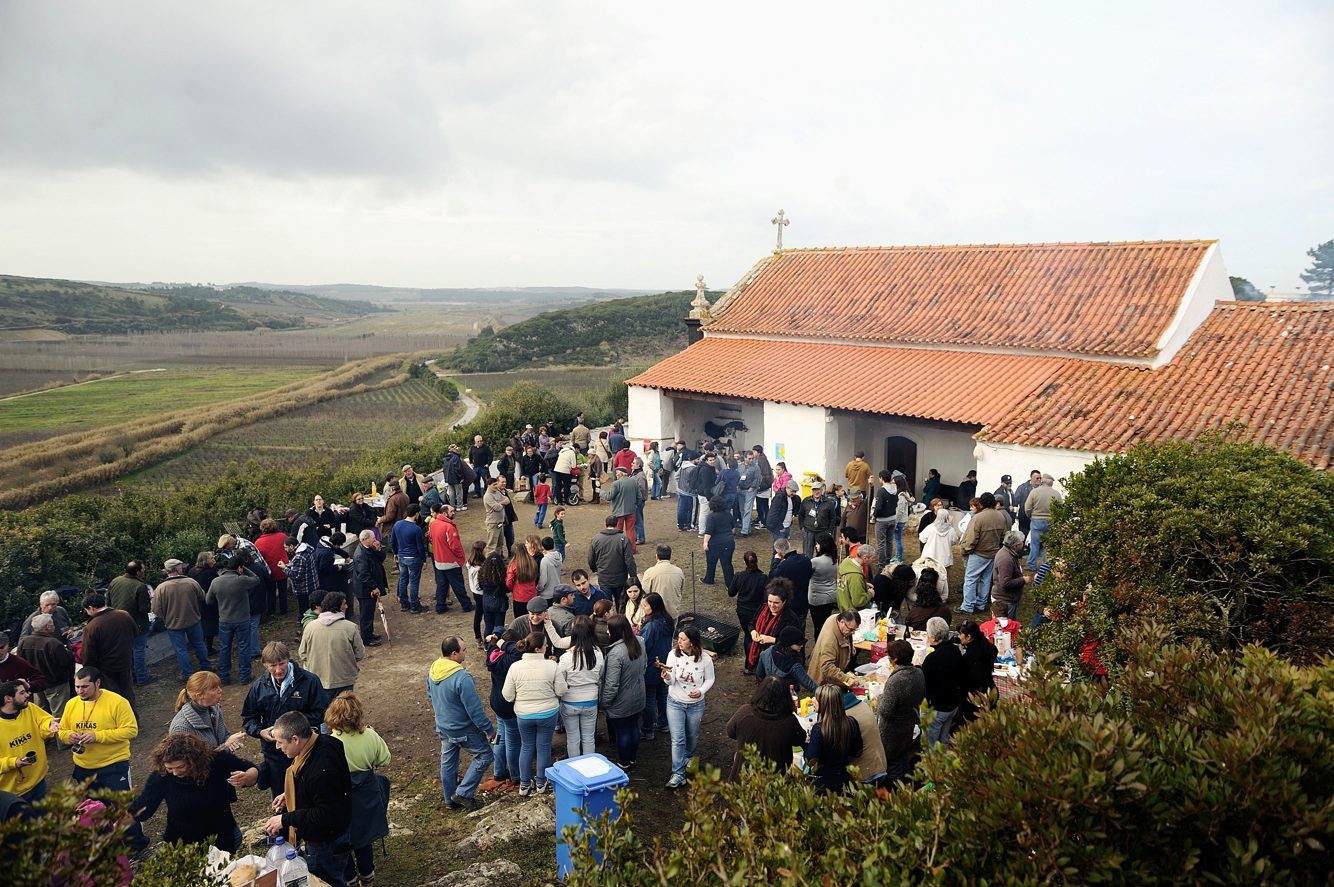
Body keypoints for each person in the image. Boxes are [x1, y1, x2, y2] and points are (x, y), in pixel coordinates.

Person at [58, 666, 148, 849]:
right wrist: (69, 736)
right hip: (84, 767)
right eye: (76, 687)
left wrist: (98, 736)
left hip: (113, 766)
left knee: (123, 808)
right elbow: (62, 730)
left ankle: (136, 845)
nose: (80, 691)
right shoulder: (72, 704)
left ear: (97, 683)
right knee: (96, 810)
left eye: (85, 687)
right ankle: (108, 844)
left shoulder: (117, 702)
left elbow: (131, 730)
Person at [262, 711, 354, 887]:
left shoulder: (320, 770)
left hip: (326, 841)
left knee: (327, 880)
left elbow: (325, 814)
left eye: (280, 742)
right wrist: (290, 794)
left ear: (296, 739)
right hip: (337, 831)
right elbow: (318, 790)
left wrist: (284, 819)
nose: (277, 747)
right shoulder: (324, 742)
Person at [133, 732, 259, 854]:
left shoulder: (216, 761)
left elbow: (252, 769)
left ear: (194, 760)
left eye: (181, 767)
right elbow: (144, 806)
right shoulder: (162, 776)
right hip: (183, 844)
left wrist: (248, 776)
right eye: (170, 768)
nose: (175, 773)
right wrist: (120, 821)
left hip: (221, 835)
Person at [242, 641, 331, 796]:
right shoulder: (258, 687)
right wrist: (260, 731)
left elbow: (322, 711)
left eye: (282, 663)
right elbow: (249, 717)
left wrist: (296, 727)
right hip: (275, 753)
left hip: (305, 749)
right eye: (272, 665)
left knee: (311, 792)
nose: (278, 670)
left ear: (289, 660)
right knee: (281, 795)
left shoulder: (309, 681)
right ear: (264, 665)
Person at [326, 692, 391, 887]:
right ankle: (367, 879)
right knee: (364, 838)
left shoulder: (329, 742)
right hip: (366, 793)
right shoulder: (370, 735)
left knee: (342, 840)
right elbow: (385, 760)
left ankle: (350, 880)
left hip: (340, 795)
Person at [427, 636, 495, 811]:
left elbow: (430, 695)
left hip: (443, 726)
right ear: (454, 653)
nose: (466, 653)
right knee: (485, 755)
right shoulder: (462, 678)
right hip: (463, 729)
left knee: (448, 762)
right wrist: (488, 729)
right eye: (464, 650)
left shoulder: (434, 669)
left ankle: (450, 800)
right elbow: (475, 710)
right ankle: (463, 793)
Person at [501, 633, 559, 796]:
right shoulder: (552, 666)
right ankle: (541, 782)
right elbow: (561, 689)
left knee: (526, 747)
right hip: (548, 713)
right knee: (544, 747)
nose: (547, 647)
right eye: (546, 645)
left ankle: (524, 784)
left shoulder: (515, 667)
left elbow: (507, 695)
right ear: (539, 649)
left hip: (524, 715)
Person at [661, 625, 715, 789]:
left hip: (695, 705)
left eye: (683, 639)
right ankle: (678, 773)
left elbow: (710, 679)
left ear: (692, 642)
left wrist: (700, 691)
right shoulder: (673, 655)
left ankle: (688, 757)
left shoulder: (705, 659)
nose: (679, 642)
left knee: (692, 735)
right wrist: (666, 677)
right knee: (678, 739)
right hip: (675, 702)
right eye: (679, 638)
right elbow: (671, 681)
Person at [724, 676, 806, 781]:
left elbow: (730, 732)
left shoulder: (744, 712)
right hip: (774, 782)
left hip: (743, 780)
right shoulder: (789, 721)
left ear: (760, 693)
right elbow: (800, 740)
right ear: (785, 697)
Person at [155, 558, 213, 682]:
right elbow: (203, 597)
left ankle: (187, 673)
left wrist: (166, 617)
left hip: (173, 624)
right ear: (176, 569)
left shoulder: (161, 588)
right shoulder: (191, 582)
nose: (183, 568)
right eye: (181, 567)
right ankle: (206, 667)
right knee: (199, 644)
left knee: (181, 650)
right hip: (193, 620)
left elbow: (156, 609)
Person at [600, 615, 647, 769]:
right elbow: (645, 665)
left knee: (623, 732)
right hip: (639, 695)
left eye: (609, 628)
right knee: (634, 727)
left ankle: (623, 762)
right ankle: (632, 757)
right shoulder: (639, 641)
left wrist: (605, 702)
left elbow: (612, 684)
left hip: (621, 701)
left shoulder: (615, 653)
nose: (607, 631)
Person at [0, 678, 58, 802]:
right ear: (8, 699)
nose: (28, 694)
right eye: (22, 693)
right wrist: (13, 762)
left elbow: (42, 721)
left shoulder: (29, 708)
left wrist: (49, 725)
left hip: (38, 781)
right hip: (12, 793)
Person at [298, 592, 365, 698]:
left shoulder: (310, 627)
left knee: (323, 711)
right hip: (344, 679)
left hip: (318, 679)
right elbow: (360, 654)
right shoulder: (351, 627)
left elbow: (302, 653)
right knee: (345, 711)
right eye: (344, 604)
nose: (347, 606)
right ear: (337, 607)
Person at [876, 639, 925, 783]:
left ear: (895, 659)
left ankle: (898, 793)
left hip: (892, 732)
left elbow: (885, 710)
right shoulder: (918, 673)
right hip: (908, 726)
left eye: (889, 657)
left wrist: (880, 698)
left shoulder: (895, 680)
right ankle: (909, 784)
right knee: (903, 757)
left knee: (892, 764)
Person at [554, 617, 604, 759]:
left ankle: (574, 766)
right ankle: (589, 766)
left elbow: (560, 679)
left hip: (570, 701)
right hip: (591, 700)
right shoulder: (598, 654)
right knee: (589, 738)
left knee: (572, 737)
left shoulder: (566, 658)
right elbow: (601, 674)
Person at [78, 592, 138, 707]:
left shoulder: (92, 626)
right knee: (128, 693)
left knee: (112, 697)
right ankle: (132, 718)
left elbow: (88, 653)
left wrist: (89, 669)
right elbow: (135, 632)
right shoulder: (124, 615)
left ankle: (119, 720)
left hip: (106, 668)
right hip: (125, 661)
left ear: (91, 608)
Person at [207, 554, 259, 684]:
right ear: (239, 568)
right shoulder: (241, 580)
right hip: (242, 620)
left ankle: (224, 677)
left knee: (224, 648)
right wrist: (245, 569)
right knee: (244, 647)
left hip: (224, 620)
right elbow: (256, 579)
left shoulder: (216, 581)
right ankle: (244, 676)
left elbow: (208, 600)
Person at [481, 631, 522, 793]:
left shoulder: (493, 655)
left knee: (500, 737)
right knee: (513, 741)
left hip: (496, 702)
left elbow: (491, 646)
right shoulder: (510, 660)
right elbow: (518, 652)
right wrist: (503, 643)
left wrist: (495, 642)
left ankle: (498, 772)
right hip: (508, 705)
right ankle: (515, 775)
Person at [805, 682, 863, 793]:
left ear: (824, 703)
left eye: (816, 699)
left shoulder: (819, 729)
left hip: (822, 784)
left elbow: (811, 761)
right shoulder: (851, 723)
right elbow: (857, 752)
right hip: (844, 781)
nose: (813, 701)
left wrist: (806, 745)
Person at [921, 617, 967, 748]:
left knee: (930, 747)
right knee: (943, 741)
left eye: (928, 634)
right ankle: (943, 765)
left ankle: (933, 767)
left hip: (937, 708)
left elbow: (924, 683)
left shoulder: (932, 659)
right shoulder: (954, 650)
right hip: (952, 705)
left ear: (934, 638)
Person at [169, 671, 245, 751]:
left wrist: (232, 743)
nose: (220, 690)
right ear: (200, 695)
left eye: (219, 686)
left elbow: (224, 736)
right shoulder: (181, 728)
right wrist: (226, 746)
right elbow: (193, 762)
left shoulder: (214, 708)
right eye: (214, 688)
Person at [960, 492, 1009, 614]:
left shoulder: (978, 517)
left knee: (970, 579)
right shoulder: (1000, 516)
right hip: (993, 554)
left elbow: (971, 538)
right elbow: (1003, 536)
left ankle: (968, 606)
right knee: (985, 580)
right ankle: (981, 604)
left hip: (979, 553)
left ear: (981, 503)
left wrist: (965, 550)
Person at [15, 616, 74, 717]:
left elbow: (20, 662)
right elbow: (65, 662)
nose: (54, 625)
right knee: (59, 715)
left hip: (36, 684)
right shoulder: (53, 643)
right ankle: (58, 733)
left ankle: (42, 732)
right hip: (56, 685)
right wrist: (69, 652)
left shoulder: (25, 641)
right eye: (52, 623)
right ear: (48, 626)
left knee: (41, 714)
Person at [106, 561, 153, 686]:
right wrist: (150, 603)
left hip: (118, 623)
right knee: (138, 651)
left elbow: (108, 603)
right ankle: (142, 677)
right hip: (137, 624)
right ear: (137, 572)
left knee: (127, 651)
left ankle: (130, 677)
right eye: (143, 569)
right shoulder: (140, 586)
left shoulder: (115, 581)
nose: (144, 571)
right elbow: (144, 609)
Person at [746, 579, 803, 674]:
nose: (772, 605)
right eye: (770, 601)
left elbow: (794, 645)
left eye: (776, 603)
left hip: (777, 659)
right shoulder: (763, 608)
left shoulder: (790, 618)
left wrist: (772, 640)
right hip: (759, 653)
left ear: (784, 602)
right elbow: (751, 623)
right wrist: (753, 632)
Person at [637, 593, 673, 740]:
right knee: (662, 695)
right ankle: (664, 723)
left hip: (651, 665)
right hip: (664, 663)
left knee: (650, 698)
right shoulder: (667, 620)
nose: (643, 608)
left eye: (645, 605)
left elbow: (644, 647)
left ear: (654, 606)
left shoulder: (651, 626)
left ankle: (647, 729)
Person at [588, 516, 639, 610]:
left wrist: (595, 569)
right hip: (620, 578)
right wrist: (633, 577)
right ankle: (620, 621)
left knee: (606, 604)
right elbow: (629, 560)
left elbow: (591, 558)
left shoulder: (596, 539)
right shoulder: (623, 539)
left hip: (604, 578)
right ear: (617, 524)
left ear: (606, 524)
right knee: (621, 603)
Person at [728, 551, 768, 669]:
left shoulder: (739, 576)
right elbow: (766, 598)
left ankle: (749, 665)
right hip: (758, 612)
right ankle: (755, 664)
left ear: (745, 562)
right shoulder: (763, 578)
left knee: (748, 635)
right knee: (757, 636)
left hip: (743, 612)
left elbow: (731, 593)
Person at [350, 530, 387, 647]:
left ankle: (369, 633)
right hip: (365, 590)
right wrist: (374, 587)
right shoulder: (361, 554)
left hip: (368, 588)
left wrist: (378, 549)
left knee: (369, 612)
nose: (375, 540)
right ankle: (366, 638)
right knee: (366, 613)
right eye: (373, 538)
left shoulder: (369, 548)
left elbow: (380, 559)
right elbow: (363, 574)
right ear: (365, 539)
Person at [756, 624, 817, 694]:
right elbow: (809, 685)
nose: (802, 646)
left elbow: (759, 674)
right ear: (789, 644)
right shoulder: (794, 665)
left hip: (769, 694)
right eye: (798, 644)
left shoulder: (766, 653)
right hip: (787, 698)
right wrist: (826, 693)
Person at [957, 620, 998, 723]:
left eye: (961, 634)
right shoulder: (985, 645)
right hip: (989, 689)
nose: (959, 636)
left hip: (975, 698)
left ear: (969, 637)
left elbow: (968, 679)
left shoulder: (969, 657)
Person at [810, 608, 859, 690]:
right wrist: (846, 678)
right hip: (825, 681)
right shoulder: (830, 641)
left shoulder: (836, 618)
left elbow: (847, 635)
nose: (852, 632)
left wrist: (850, 648)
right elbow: (827, 666)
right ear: (842, 622)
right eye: (851, 629)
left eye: (854, 630)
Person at [391, 503, 427, 614]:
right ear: (416, 514)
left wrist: (395, 552)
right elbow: (420, 547)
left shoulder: (397, 525)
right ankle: (415, 605)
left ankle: (404, 603)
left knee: (403, 579)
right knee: (414, 582)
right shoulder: (416, 529)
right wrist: (424, 559)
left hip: (402, 557)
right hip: (413, 558)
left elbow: (393, 541)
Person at [1024, 473, 1063, 571]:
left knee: (1035, 544)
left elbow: (1027, 507)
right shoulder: (1057, 494)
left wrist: (1030, 516)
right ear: (1051, 483)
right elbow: (1061, 509)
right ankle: (1046, 565)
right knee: (1048, 545)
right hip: (1051, 522)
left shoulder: (1034, 492)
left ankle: (1031, 565)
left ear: (1042, 481)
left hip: (1036, 521)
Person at [991, 528, 1032, 620]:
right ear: (1015, 546)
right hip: (1005, 600)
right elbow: (1005, 583)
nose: (1023, 544)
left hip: (1007, 598)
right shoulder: (1006, 559)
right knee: (1006, 628)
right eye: (1022, 542)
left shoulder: (1008, 553)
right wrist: (1023, 580)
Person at [254, 519, 291, 617]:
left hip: (269, 571)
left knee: (271, 592)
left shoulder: (258, 542)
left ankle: (271, 610)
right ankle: (284, 609)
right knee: (283, 590)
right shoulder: (283, 536)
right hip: (283, 567)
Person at [806, 533, 839, 636]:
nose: (816, 546)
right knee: (825, 623)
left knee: (818, 627)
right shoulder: (835, 559)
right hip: (831, 596)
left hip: (817, 597)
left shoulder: (815, 561)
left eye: (817, 544)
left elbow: (807, 575)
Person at [700, 495, 736, 587]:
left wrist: (705, 542)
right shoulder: (728, 514)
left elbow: (709, 532)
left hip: (715, 544)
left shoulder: (711, 517)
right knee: (727, 564)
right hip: (728, 542)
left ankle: (709, 579)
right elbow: (732, 528)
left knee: (711, 563)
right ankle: (730, 584)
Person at [641, 545, 684, 619]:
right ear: (670, 556)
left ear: (657, 556)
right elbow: (680, 590)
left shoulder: (650, 572)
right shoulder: (679, 571)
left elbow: (645, 592)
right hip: (673, 612)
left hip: (656, 613)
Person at [476, 552, 510, 637]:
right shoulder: (502, 575)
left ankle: (487, 645)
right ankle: (498, 645)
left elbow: (480, 586)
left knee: (488, 626)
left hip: (487, 602)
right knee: (499, 627)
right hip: (500, 603)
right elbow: (507, 589)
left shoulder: (483, 574)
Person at [836, 543, 875, 614]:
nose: (873, 560)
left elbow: (847, 584)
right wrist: (870, 593)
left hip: (843, 606)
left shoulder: (845, 563)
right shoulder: (855, 576)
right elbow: (858, 602)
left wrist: (863, 584)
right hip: (852, 614)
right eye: (872, 558)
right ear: (865, 558)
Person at [507, 538, 540, 620]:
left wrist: (513, 589)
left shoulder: (514, 565)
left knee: (520, 620)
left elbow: (509, 582)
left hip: (519, 596)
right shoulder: (532, 561)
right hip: (532, 594)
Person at [484, 475, 511, 557]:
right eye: (494, 485)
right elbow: (497, 507)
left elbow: (507, 500)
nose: (496, 486)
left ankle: (498, 560)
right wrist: (501, 502)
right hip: (493, 523)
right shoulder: (487, 496)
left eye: (496, 484)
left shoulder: (497, 492)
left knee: (500, 544)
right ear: (489, 485)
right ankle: (489, 563)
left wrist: (500, 502)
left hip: (500, 522)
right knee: (492, 545)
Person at [1013, 469, 1042, 540]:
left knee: (1036, 538)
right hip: (1024, 517)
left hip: (1037, 517)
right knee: (1023, 536)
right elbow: (1015, 501)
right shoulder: (1022, 488)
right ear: (1031, 478)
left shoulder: (1042, 489)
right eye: (1037, 478)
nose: (1039, 480)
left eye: (1040, 478)